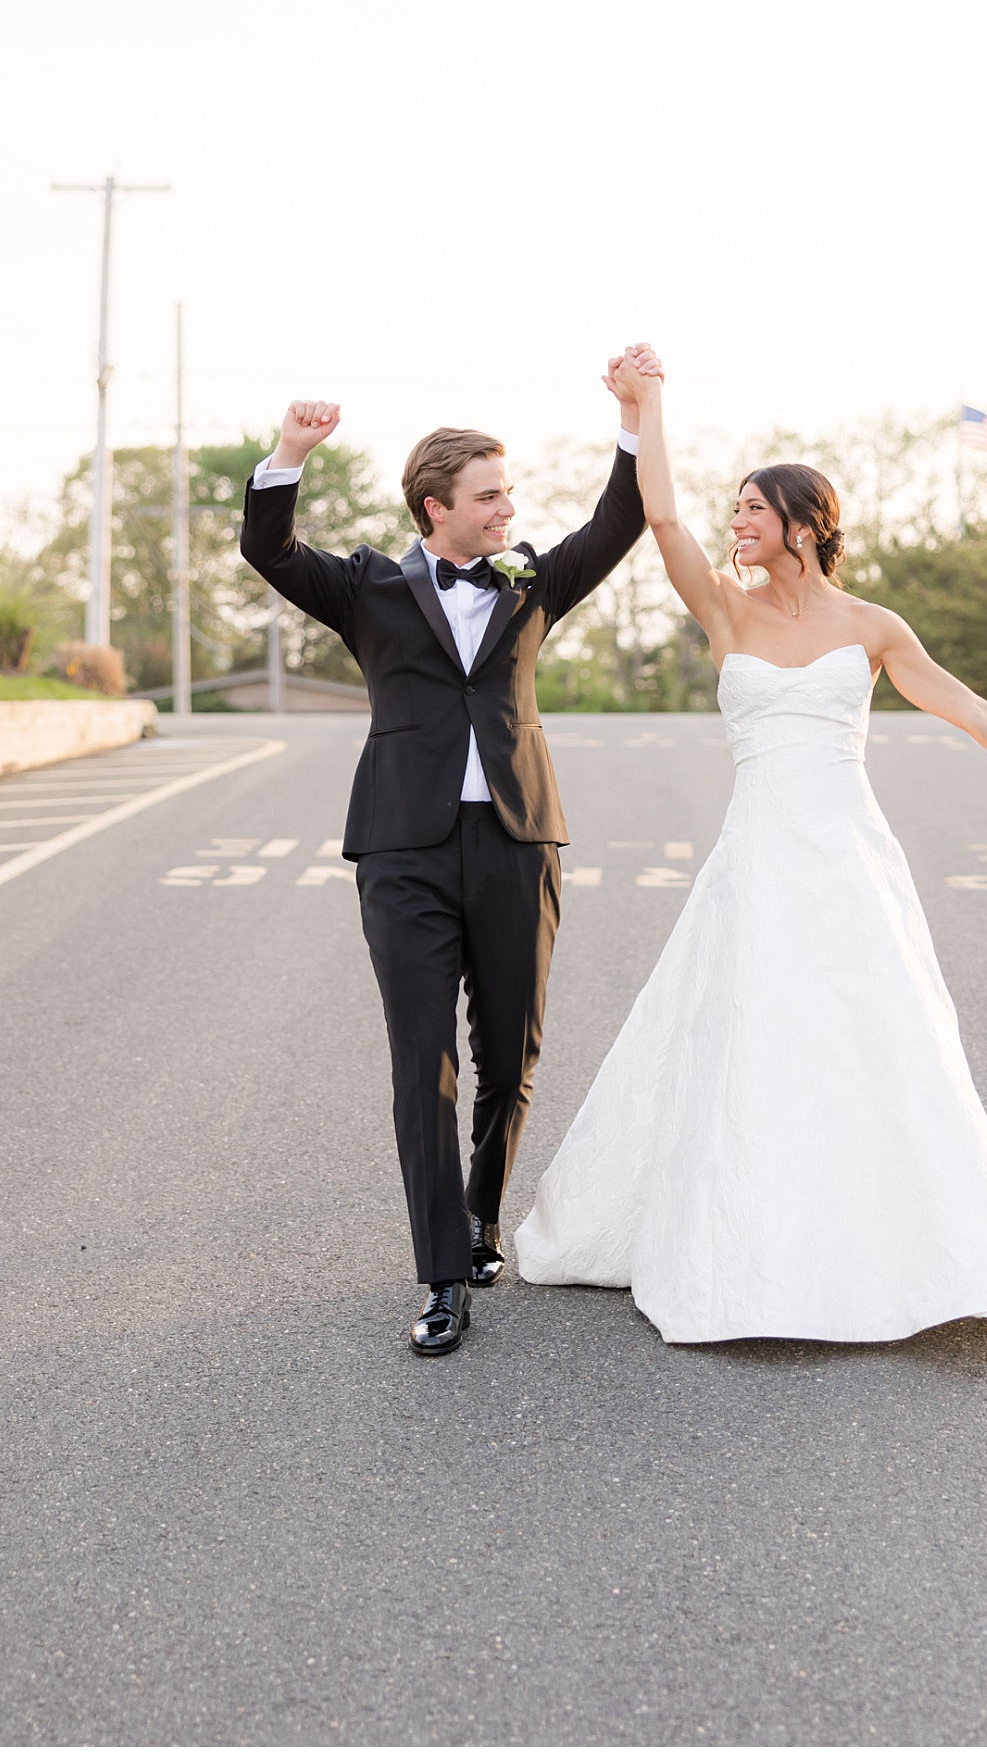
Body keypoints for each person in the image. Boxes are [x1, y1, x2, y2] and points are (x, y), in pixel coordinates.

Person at [516, 348, 987, 1345]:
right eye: (737, 511)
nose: (737, 523)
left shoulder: (873, 625)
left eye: (755, 511)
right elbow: (663, 517)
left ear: (803, 525)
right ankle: (746, 1251)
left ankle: (913, 1250)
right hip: (756, 856)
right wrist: (649, 403)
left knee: (874, 1036)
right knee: (752, 1031)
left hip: (847, 852)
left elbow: (971, 711)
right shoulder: (722, 605)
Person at [240, 352, 657, 1356]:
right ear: (437, 507)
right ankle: (439, 1276)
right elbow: (271, 550)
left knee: (508, 1050)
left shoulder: (531, 581)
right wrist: (288, 453)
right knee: (421, 1059)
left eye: (508, 490)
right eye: (490, 494)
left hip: (518, 841)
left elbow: (618, 522)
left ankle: (478, 1214)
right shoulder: (369, 587)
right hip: (403, 849)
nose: (508, 506)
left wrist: (635, 419)